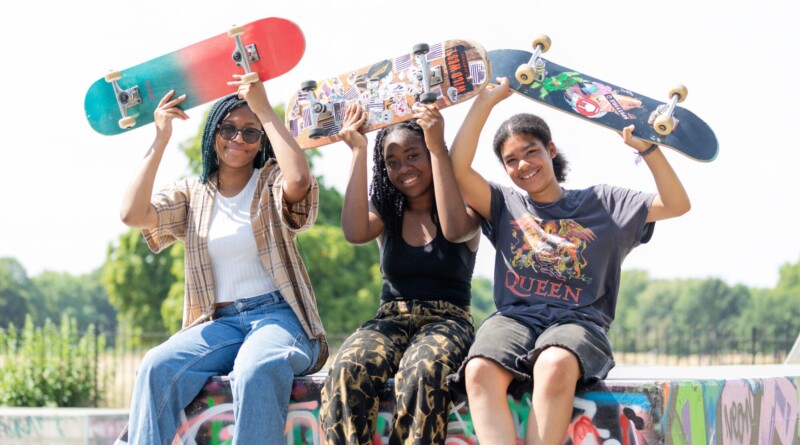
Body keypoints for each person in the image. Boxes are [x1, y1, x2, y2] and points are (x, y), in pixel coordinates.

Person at [447, 78, 691, 445]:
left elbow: (676, 204)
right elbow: (457, 169)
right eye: (511, 160)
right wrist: (484, 103)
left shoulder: (604, 204)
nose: (523, 165)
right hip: (515, 319)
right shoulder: (504, 204)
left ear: (551, 150)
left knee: (554, 363)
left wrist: (650, 150)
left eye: (531, 152)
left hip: (579, 323)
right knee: (479, 369)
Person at [119, 75, 328, 444]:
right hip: (221, 323)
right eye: (228, 129)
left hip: (279, 317)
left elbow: (298, 179)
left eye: (251, 132)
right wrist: (161, 136)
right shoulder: (192, 194)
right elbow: (132, 214)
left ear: (261, 140)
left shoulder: (269, 181)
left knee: (256, 368)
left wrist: (264, 109)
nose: (238, 139)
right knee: (155, 366)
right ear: (213, 133)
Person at [320, 102, 481, 445]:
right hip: (390, 319)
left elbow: (455, 231)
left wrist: (438, 146)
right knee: (348, 366)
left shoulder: (462, 204)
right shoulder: (386, 211)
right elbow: (354, 232)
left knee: (423, 368)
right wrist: (358, 151)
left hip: (448, 321)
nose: (403, 167)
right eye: (392, 162)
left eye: (412, 155)